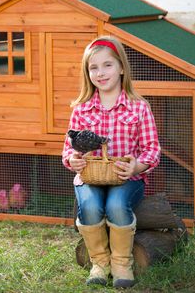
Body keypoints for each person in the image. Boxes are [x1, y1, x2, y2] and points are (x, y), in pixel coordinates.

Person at [62, 35, 161, 289]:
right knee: (91, 205)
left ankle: (121, 264)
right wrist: (74, 161)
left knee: (116, 204)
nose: (100, 73)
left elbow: (152, 150)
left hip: (128, 178)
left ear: (121, 68)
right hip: (89, 177)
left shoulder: (138, 107)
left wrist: (136, 166)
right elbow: (68, 151)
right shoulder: (81, 109)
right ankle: (100, 262)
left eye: (107, 65)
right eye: (93, 67)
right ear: (87, 72)